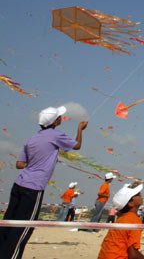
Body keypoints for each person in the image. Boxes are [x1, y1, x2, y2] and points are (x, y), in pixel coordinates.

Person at [0, 105, 87, 259]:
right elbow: (77, 145)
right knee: (24, 227)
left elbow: (19, 164)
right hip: (33, 188)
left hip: (18, 184)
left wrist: (36, 162)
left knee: (8, 224)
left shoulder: (32, 139)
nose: (60, 118)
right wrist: (80, 129)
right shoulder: (55, 135)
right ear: (55, 121)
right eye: (59, 117)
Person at [98, 184, 144, 259]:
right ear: (131, 203)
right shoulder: (133, 220)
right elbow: (133, 256)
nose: (140, 194)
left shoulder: (121, 219)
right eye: (137, 194)